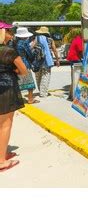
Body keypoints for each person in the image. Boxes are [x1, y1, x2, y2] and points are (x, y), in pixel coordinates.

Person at [0, 24, 27, 171]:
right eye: (9, 31)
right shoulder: (9, 51)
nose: (11, 33)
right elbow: (24, 71)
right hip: (6, 88)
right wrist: (13, 69)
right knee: (5, 124)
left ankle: (1, 152)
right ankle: (2, 161)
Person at [14, 27, 38, 104]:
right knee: (30, 82)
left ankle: (18, 100)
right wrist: (33, 48)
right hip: (25, 64)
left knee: (19, 82)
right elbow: (30, 54)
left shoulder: (15, 42)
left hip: (16, 64)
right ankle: (30, 99)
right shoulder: (24, 43)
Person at [34, 26, 60, 98]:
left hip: (38, 60)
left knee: (38, 76)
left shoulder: (37, 38)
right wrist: (57, 60)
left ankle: (40, 90)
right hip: (47, 60)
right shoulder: (50, 40)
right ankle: (43, 93)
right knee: (46, 76)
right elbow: (54, 50)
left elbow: (31, 47)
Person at [66, 29, 83, 100]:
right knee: (76, 77)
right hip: (75, 59)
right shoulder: (79, 39)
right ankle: (74, 95)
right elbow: (81, 50)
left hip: (72, 59)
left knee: (73, 77)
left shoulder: (75, 39)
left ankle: (71, 95)